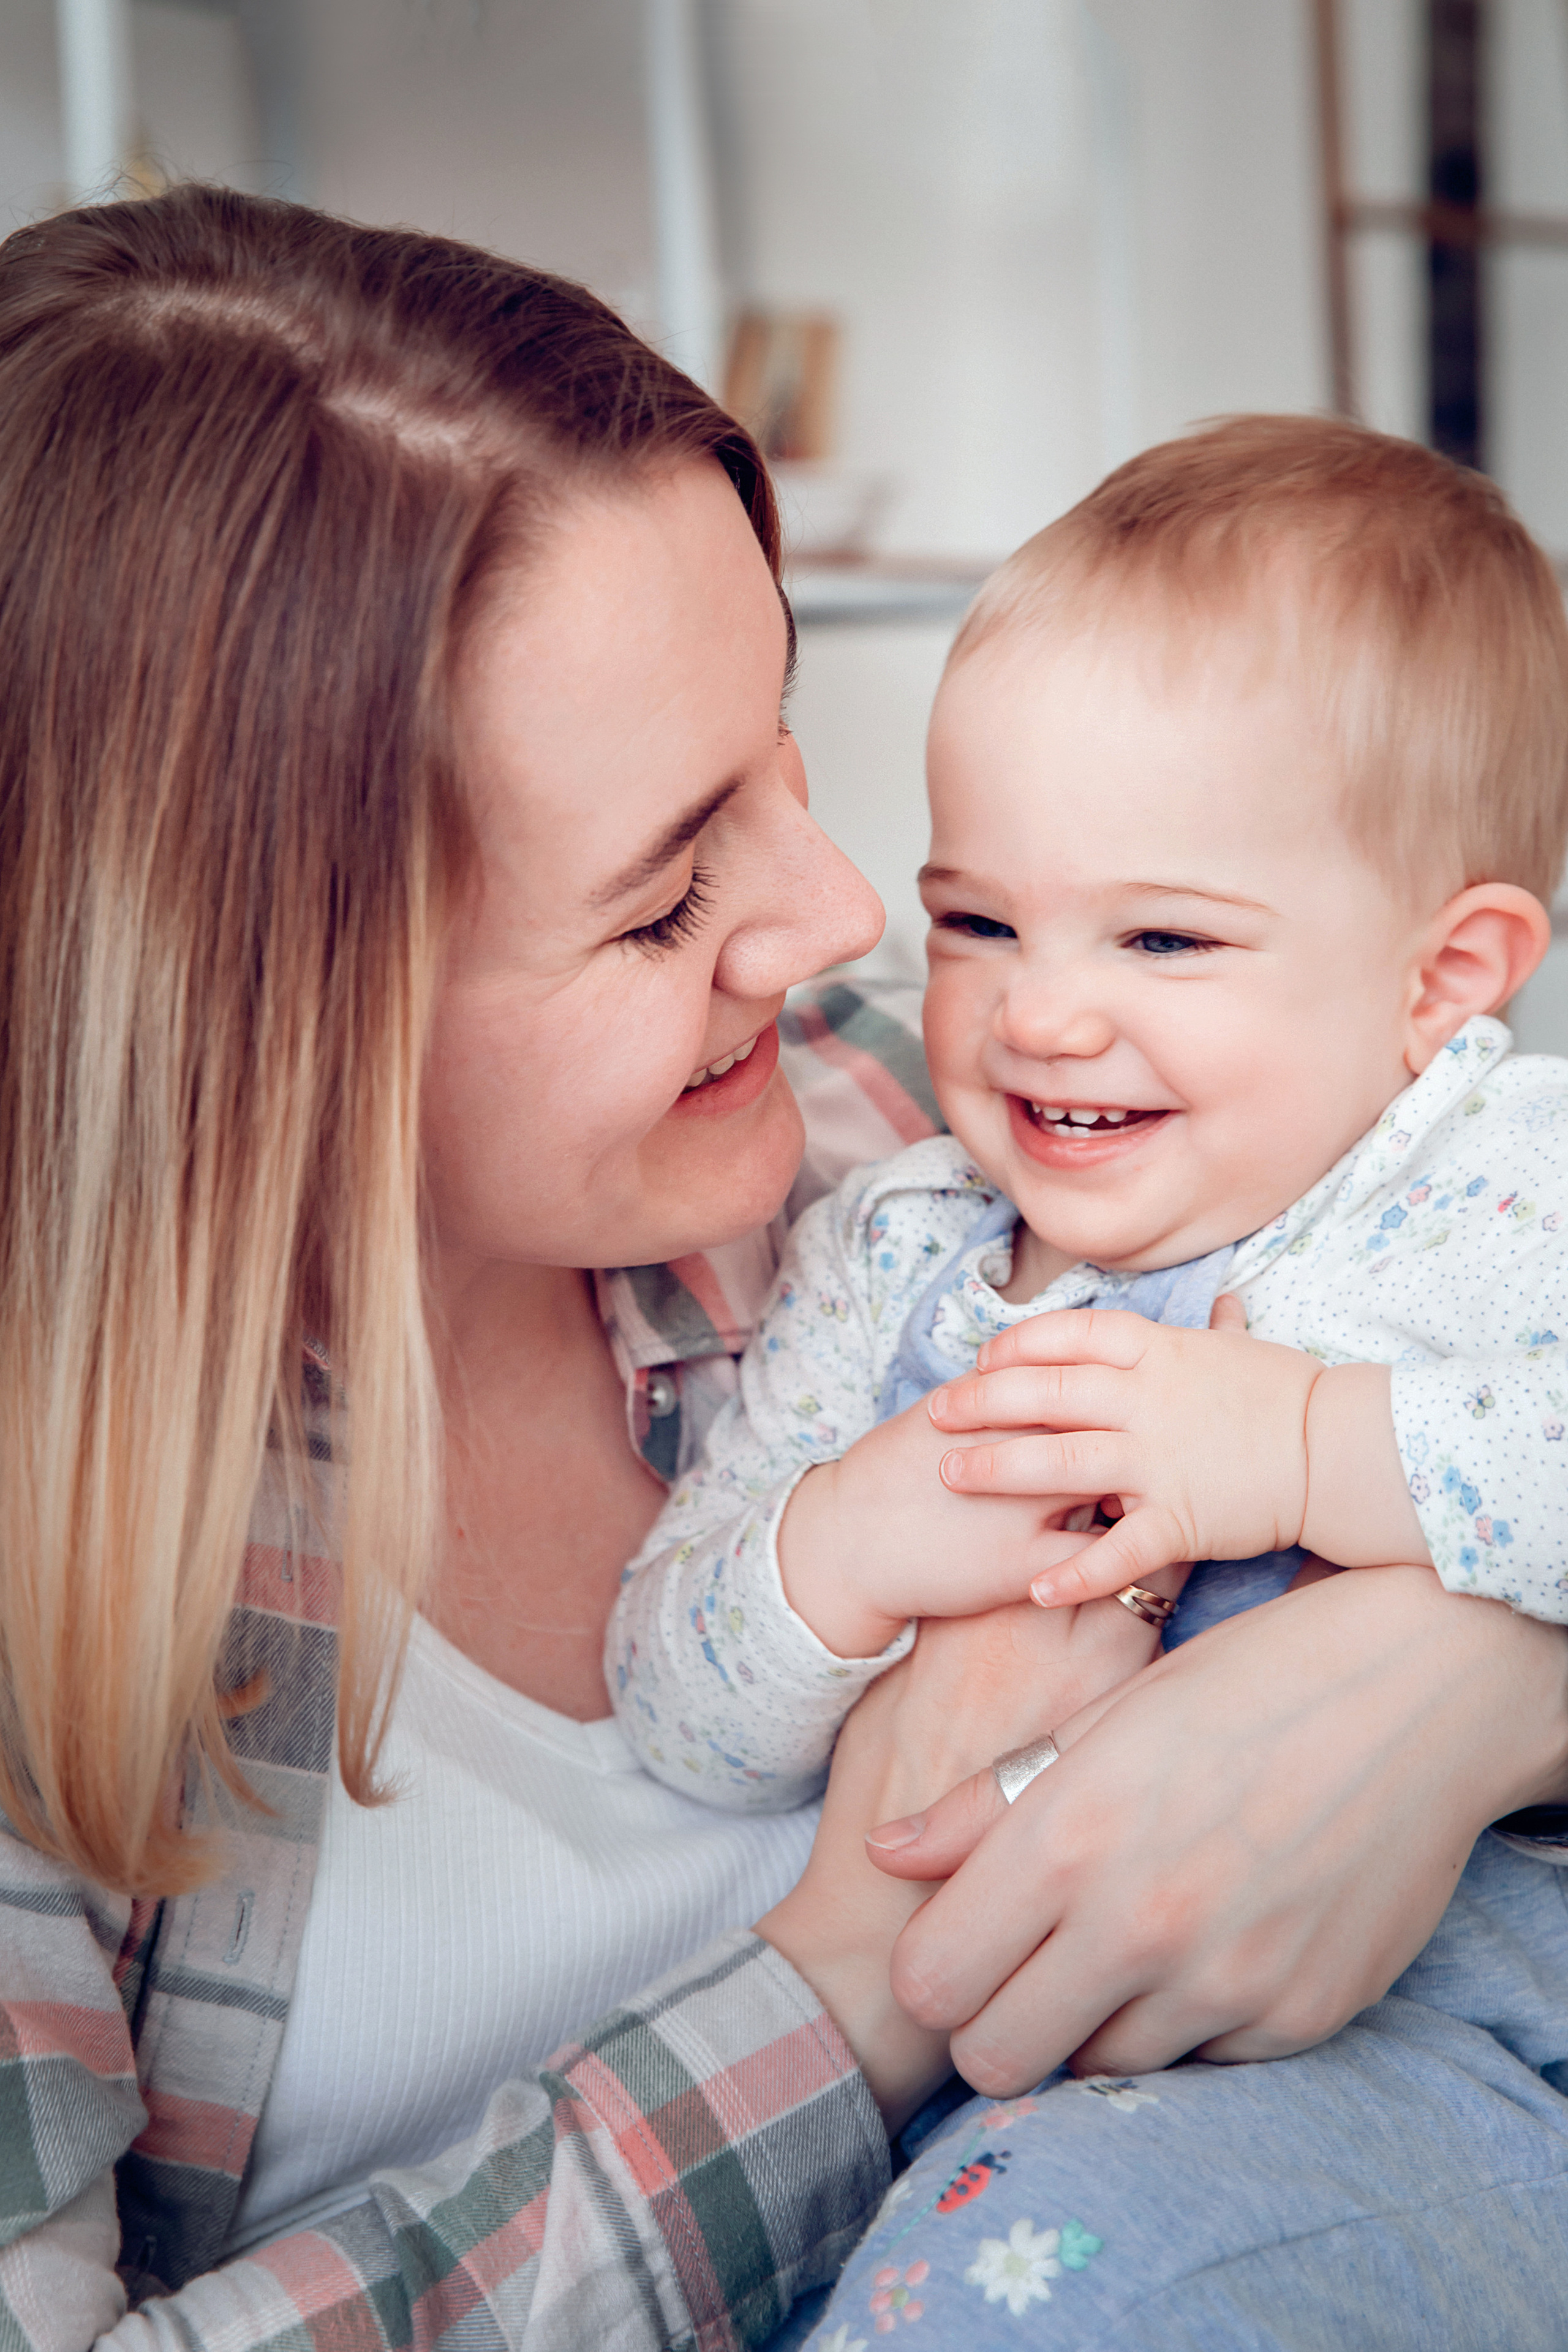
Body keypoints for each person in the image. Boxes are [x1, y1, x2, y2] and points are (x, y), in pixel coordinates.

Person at [2, 190, 1567, 2352]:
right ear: (252, 1015)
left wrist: (1449, 1689)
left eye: (786, 753)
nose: (849, 921)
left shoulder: (863, 1120)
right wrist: (861, 1976)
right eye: (662, 899)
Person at [611, 420, 1568, 2346]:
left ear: (1443, 976)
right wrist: (837, 1549)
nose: (1041, 1010)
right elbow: (678, 1714)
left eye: (1162, 935)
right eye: (978, 920)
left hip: (1424, 2069)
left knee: (1021, 2290)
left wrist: (1302, 1445)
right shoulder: (898, 1241)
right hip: (957, 2086)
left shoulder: (1495, 1181)